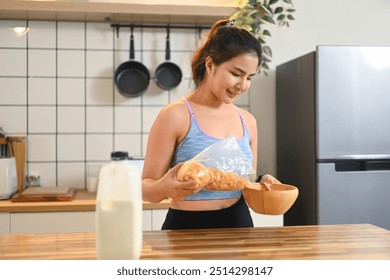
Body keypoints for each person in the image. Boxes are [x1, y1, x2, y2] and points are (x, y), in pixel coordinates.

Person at [142, 19, 280, 230]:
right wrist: (164, 187)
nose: (242, 86)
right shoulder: (176, 116)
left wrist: (262, 183)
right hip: (186, 230)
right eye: (236, 74)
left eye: (249, 77)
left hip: (239, 225)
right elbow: (145, 189)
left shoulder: (248, 121)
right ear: (210, 64)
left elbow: (245, 181)